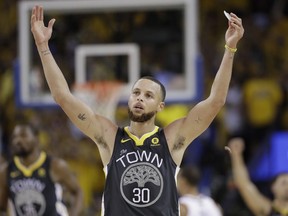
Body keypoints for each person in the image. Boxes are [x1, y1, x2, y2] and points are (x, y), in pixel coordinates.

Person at [30, 5, 244, 215]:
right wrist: (43, 47)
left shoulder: (171, 139)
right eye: (136, 93)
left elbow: (216, 101)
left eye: (148, 95)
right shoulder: (109, 136)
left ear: (160, 106)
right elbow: (62, 97)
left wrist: (230, 49)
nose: (140, 98)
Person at [0, 123, 83, 216]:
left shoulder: (55, 165)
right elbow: (2, 208)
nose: (17, 140)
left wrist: (73, 214)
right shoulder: (6, 171)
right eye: (14, 137)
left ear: (36, 139)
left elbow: (77, 192)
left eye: (23, 135)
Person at [227, 137, 288, 216]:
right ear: (273, 187)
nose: (287, 186)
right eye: (283, 183)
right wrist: (236, 155)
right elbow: (244, 184)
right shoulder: (267, 209)